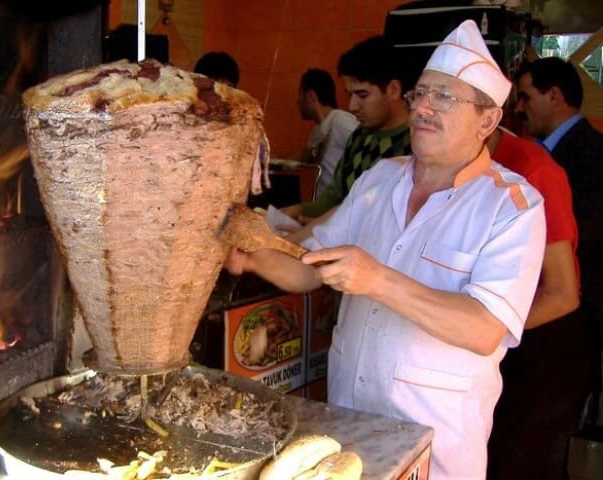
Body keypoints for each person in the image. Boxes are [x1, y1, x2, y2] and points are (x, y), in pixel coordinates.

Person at [225, 20, 546, 479]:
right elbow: (309, 268)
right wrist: (253, 255)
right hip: (351, 423)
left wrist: (377, 281)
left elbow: (484, 329)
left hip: (436, 440)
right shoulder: (381, 178)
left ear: (488, 120)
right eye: (421, 94)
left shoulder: (512, 206)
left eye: (445, 98)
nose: (424, 109)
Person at [507, 56, 603, 478]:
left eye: (525, 97)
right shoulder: (536, 154)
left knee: (537, 442)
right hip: (531, 323)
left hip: (568, 323)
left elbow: (578, 239)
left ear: (555, 95)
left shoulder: (591, 155)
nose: (520, 109)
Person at [485, 126, 584, 479]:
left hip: (539, 342)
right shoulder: (434, 165)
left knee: (519, 459)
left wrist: (479, 330)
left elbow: (562, 294)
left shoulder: (533, 168)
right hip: (487, 340)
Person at [281, 36, 411, 224]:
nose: (352, 106)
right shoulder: (359, 138)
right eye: (350, 95)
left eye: (362, 95)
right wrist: (298, 211)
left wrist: (329, 223)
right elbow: (334, 197)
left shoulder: (415, 145)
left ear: (392, 90)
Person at [295, 68, 358, 193]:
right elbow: (298, 160)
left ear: (310, 96)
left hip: (341, 208)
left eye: (300, 94)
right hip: (324, 208)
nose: (298, 101)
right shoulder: (317, 132)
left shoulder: (340, 120)